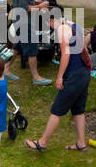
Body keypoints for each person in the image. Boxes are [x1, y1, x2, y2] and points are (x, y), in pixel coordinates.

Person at [25, 9, 91, 152]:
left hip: (73, 75)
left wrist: (60, 76)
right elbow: (84, 46)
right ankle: (81, 143)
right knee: (78, 110)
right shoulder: (75, 25)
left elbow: (66, 55)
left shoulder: (61, 30)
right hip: (84, 73)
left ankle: (42, 143)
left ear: (51, 20)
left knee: (57, 110)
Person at [10, 0, 52, 85]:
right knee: (32, 49)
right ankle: (36, 77)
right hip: (24, 21)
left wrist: (34, 2)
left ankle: (6, 69)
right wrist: (40, 6)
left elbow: (19, 3)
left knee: (17, 46)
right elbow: (24, 8)